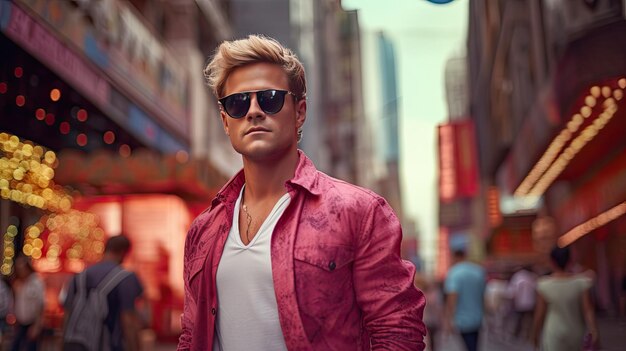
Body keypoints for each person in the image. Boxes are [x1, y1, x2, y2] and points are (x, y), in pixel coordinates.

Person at [177, 34, 427, 350]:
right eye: (238, 103)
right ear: (226, 122)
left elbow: (397, 331)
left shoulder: (359, 212)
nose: (253, 111)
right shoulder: (203, 231)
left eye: (269, 98)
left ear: (299, 112)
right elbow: (190, 334)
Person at [62, 235, 144, 351]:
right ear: (123, 252)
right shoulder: (125, 278)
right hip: (108, 345)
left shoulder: (79, 276)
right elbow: (128, 321)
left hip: (74, 344)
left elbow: (67, 314)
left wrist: (62, 344)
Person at [532, 245, 599, 351]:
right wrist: (594, 331)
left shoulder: (543, 285)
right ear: (570, 260)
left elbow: (539, 314)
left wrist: (535, 336)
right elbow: (588, 311)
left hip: (553, 333)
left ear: (552, 262)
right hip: (576, 333)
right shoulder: (581, 283)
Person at [443, 248, 486, 351]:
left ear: (455, 257)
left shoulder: (454, 273)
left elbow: (452, 297)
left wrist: (448, 320)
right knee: (474, 346)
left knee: (469, 346)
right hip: (478, 318)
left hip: (462, 320)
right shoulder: (478, 271)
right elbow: (483, 295)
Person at [10, 255, 45, 351]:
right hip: (21, 322)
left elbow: (40, 305)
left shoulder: (36, 282)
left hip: (32, 323)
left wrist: (37, 326)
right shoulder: (19, 283)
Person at [506, 265, 537, 342]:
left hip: (519, 302)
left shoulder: (517, 276)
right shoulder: (532, 277)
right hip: (531, 302)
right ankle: (527, 335)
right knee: (528, 320)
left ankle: (515, 335)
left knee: (518, 319)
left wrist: (511, 301)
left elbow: (513, 291)